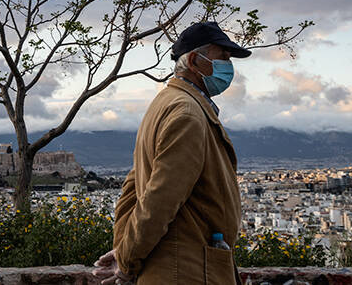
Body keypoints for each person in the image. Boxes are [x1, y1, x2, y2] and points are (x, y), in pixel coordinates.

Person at [93, 21, 250, 285]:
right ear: (193, 60)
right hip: (186, 271)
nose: (228, 65)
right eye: (221, 57)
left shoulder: (165, 103)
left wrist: (125, 249)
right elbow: (159, 200)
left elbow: (133, 187)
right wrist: (128, 259)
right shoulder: (187, 114)